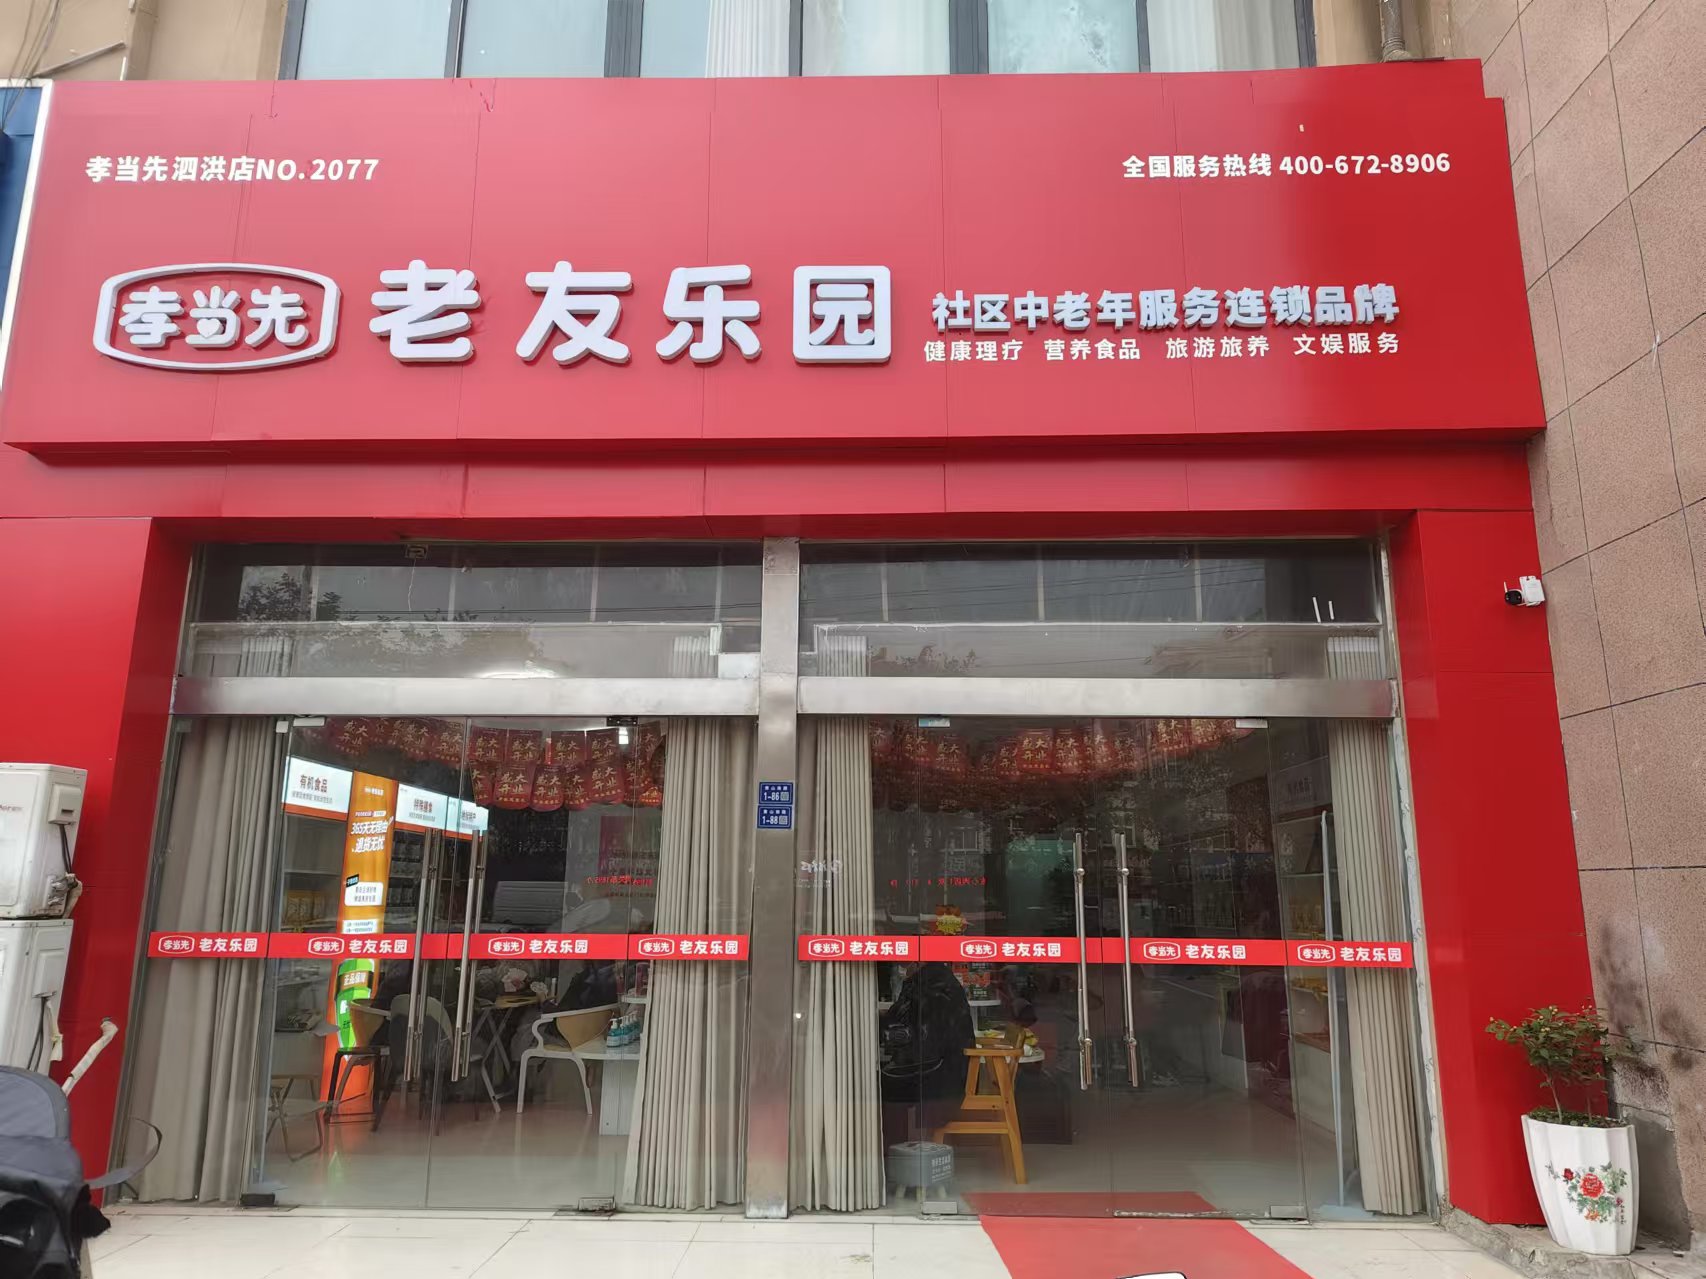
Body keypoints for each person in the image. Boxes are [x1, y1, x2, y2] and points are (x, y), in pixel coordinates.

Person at [878, 962, 974, 1151]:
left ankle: (892, 1151)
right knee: (887, 1080)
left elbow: (914, 1033)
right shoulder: (939, 980)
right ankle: (895, 1149)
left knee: (883, 1086)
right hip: (948, 1067)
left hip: (939, 1073)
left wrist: (879, 1026)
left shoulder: (926, 986)